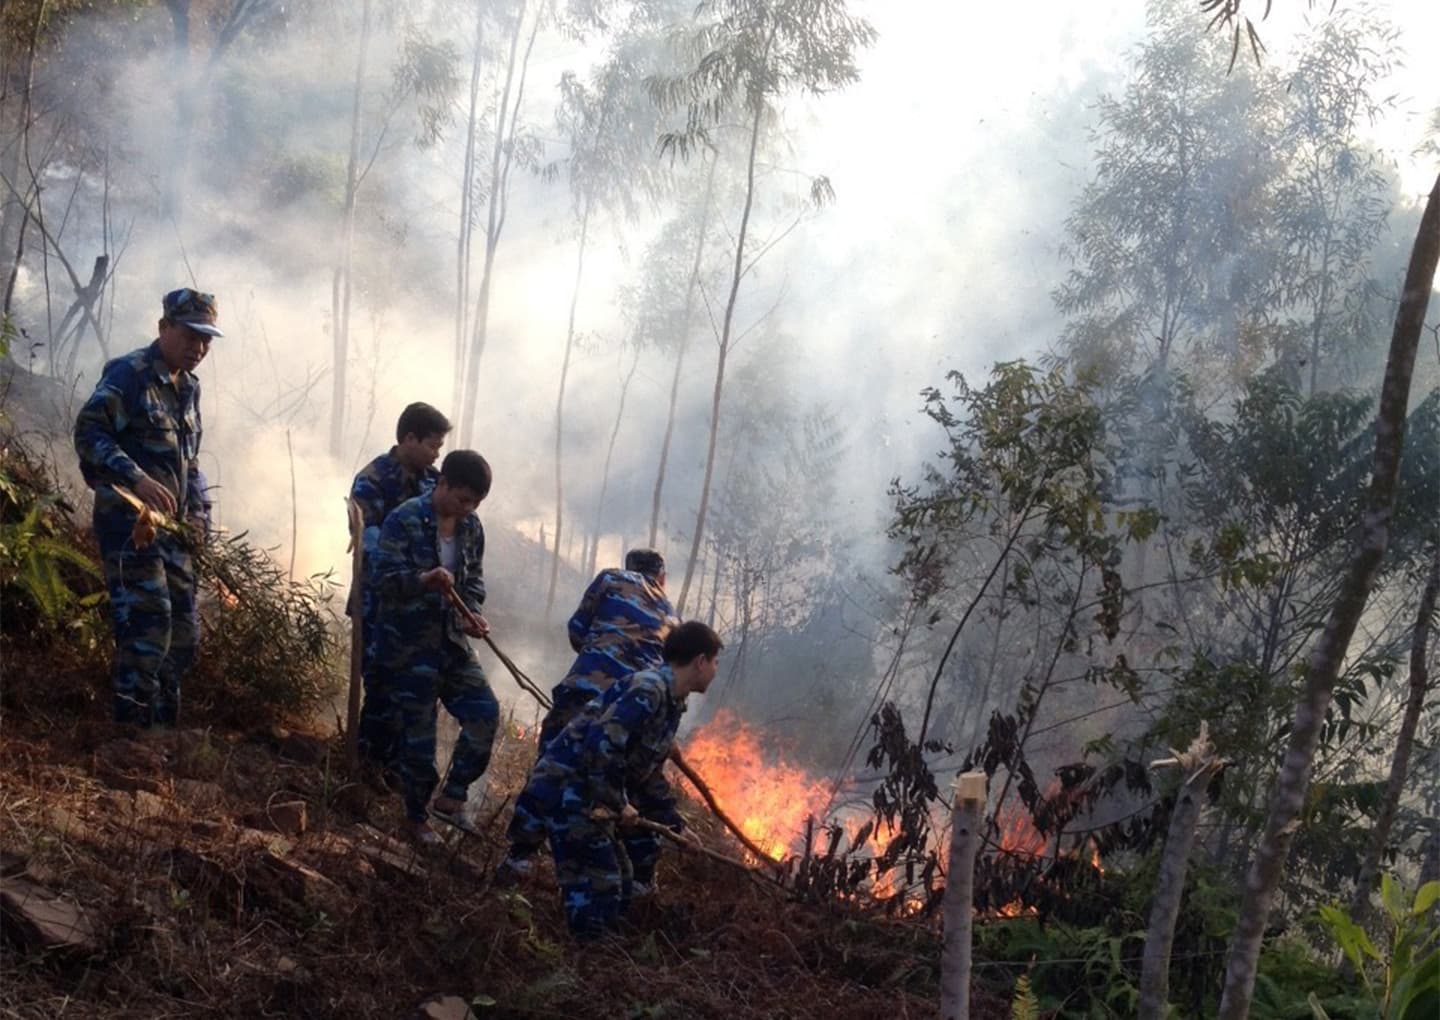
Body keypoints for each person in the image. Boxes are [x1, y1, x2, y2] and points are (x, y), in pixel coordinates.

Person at [506, 621, 723, 939]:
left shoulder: (669, 702)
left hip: (588, 797)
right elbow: (601, 748)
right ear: (700, 661)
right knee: (602, 890)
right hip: (567, 792)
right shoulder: (648, 691)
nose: (716, 671)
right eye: (715, 662)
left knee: (623, 882)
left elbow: (648, 776)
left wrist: (678, 828)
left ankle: (588, 950)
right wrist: (618, 803)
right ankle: (578, 964)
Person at [74, 288, 222, 728]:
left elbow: (190, 465)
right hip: (129, 524)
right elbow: (89, 434)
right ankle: (131, 735)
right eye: (191, 335)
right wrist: (135, 476)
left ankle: (161, 732)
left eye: (206, 339)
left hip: (173, 532)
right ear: (164, 328)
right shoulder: (130, 374)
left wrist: (199, 520)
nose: (198, 348)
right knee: (147, 627)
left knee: (183, 635)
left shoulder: (189, 389)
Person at [371, 449, 499, 845]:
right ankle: (414, 818)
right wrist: (424, 579)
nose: (468, 508)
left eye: (475, 503)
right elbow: (384, 580)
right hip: (408, 646)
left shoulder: (471, 528)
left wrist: (471, 613)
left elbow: (473, 582)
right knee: (418, 738)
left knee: (484, 712)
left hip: (452, 644)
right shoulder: (404, 519)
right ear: (442, 484)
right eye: (463, 499)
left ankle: (453, 796)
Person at [349, 402, 451, 765]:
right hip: (378, 600)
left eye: (440, 447)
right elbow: (368, 540)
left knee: (412, 688)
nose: (436, 453)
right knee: (379, 684)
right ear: (409, 438)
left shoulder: (433, 482)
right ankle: (366, 764)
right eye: (432, 445)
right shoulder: (373, 479)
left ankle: (394, 767)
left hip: (417, 604)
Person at [538, 548, 678, 751]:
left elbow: (576, 630)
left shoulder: (611, 578)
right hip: (629, 710)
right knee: (599, 777)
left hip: (583, 690)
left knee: (549, 765)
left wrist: (598, 654)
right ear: (662, 578)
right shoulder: (673, 618)